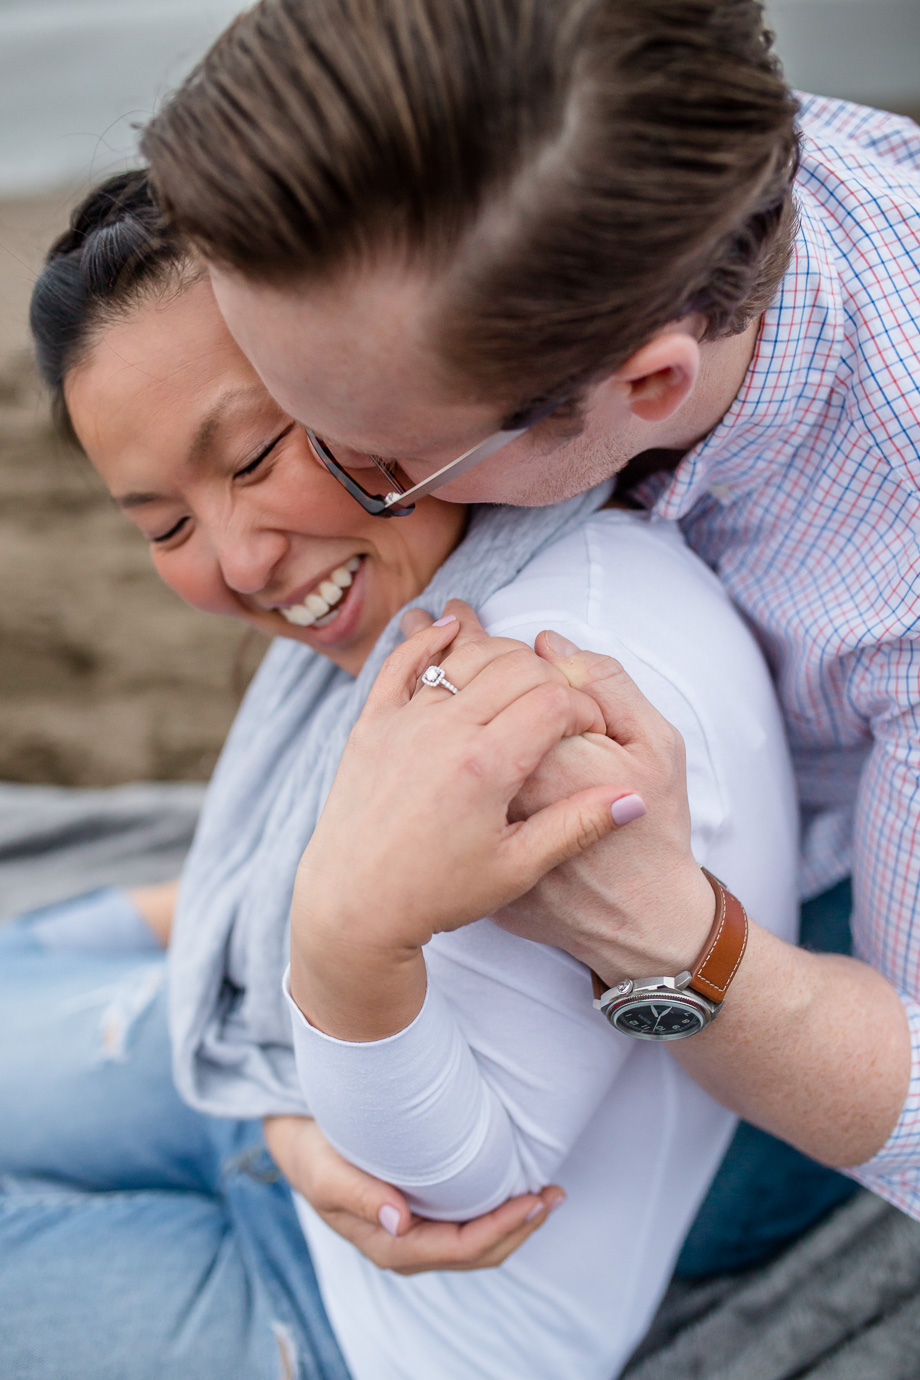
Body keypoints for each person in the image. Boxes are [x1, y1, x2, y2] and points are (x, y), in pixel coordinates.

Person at [138, 0, 920, 1290]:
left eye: (375, 461)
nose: (316, 499)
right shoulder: (613, 132)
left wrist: (667, 939)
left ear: (646, 384)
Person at [2, 169, 799, 1378]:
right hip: (265, 1091)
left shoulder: (537, 693)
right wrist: (278, 1109)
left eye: (254, 455)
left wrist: (339, 938)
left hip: (362, 1315)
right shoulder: (455, 577)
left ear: (370, 370)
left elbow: (455, 1196)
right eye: (164, 525)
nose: (238, 561)